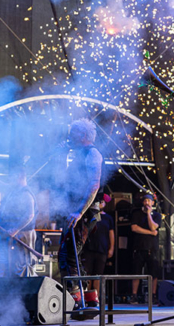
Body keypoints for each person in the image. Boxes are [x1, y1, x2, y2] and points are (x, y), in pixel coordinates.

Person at [58, 118, 103, 307]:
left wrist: (79, 212)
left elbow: (94, 185)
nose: (70, 137)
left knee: (68, 254)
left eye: (74, 133)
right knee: (71, 254)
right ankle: (89, 296)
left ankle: (76, 298)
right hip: (76, 211)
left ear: (84, 135)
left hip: (83, 213)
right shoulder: (77, 154)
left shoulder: (92, 153)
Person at [0, 164, 38, 277]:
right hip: (11, 235)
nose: (10, 180)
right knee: (9, 266)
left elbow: (30, 215)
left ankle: (24, 292)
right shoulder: (14, 191)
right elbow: (1, 185)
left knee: (21, 267)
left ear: (19, 176)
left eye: (12, 177)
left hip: (23, 236)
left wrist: (16, 229)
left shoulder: (26, 194)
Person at [81, 192, 114, 306]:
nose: (101, 203)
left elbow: (111, 234)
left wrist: (111, 248)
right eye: (99, 202)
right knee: (88, 274)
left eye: (103, 202)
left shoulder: (108, 218)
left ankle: (96, 298)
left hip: (102, 249)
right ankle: (86, 297)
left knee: (98, 274)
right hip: (89, 248)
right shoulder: (89, 215)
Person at [129, 193, 162, 305]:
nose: (147, 202)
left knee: (154, 273)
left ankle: (153, 296)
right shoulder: (136, 213)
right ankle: (134, 296)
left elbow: (154, 226)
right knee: (136, 273)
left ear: (153, 202)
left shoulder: (157, 215)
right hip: (139, 247)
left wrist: (149, 214)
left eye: (149, 201)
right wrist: (150, 233)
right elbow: (134, 228)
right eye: (145, 201)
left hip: (152, 249)